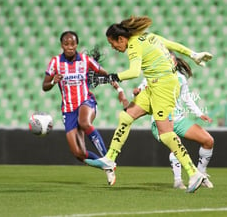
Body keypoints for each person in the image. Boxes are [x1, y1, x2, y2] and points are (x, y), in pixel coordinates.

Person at [84, 16, 213, 193]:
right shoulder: (149, 36)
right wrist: (193, 54)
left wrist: (109, 77)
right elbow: (172, 44)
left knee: (166, 134)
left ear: (121, 39)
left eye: (113, 43)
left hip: (164, 86)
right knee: (126, 116)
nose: (113, 48)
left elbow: (134, 71)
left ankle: (194, 173)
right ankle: (110, 159)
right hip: (153, 84)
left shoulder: (133, 45)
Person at [42, 30, 115, 185]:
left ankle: (108, 158)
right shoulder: (55, 62)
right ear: (62, 45)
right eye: (66, 44)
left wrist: (116, 87)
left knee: (85, 122)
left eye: (73, 43)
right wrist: (54, 81)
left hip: (86, 101)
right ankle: (107, 167)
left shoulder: (85, 60)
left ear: (77, 44)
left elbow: (103, 72)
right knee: (78, 153)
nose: (70, 47)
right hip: (68, 110)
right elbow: (45, 86)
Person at [133, 55, 215, 189]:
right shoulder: (151, 76)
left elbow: (187, 98)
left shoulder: (181, 79)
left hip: (179, 119)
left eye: (170, 59)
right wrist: (136, 93)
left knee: (208, 140)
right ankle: (178, 181)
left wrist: (199, 114)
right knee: (176, 143)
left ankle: (201, 174)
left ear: (175, 62)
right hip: (160, 121)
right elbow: (138, 93)